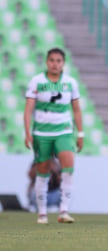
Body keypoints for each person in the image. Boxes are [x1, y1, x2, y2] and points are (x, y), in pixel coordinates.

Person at [24, 48, 83, 224]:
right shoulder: (37, 81)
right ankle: (42, 213)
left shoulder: (71, 83)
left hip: (63, 131)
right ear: (46, 62)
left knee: (68, 168)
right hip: (41, 133)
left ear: (63, 63)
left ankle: (63, 210)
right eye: (52, 60)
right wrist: (27, 132)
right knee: (42, 171)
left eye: (58, 61)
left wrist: (80, 133)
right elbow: (28, 110)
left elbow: (77, 110)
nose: (55, 64)